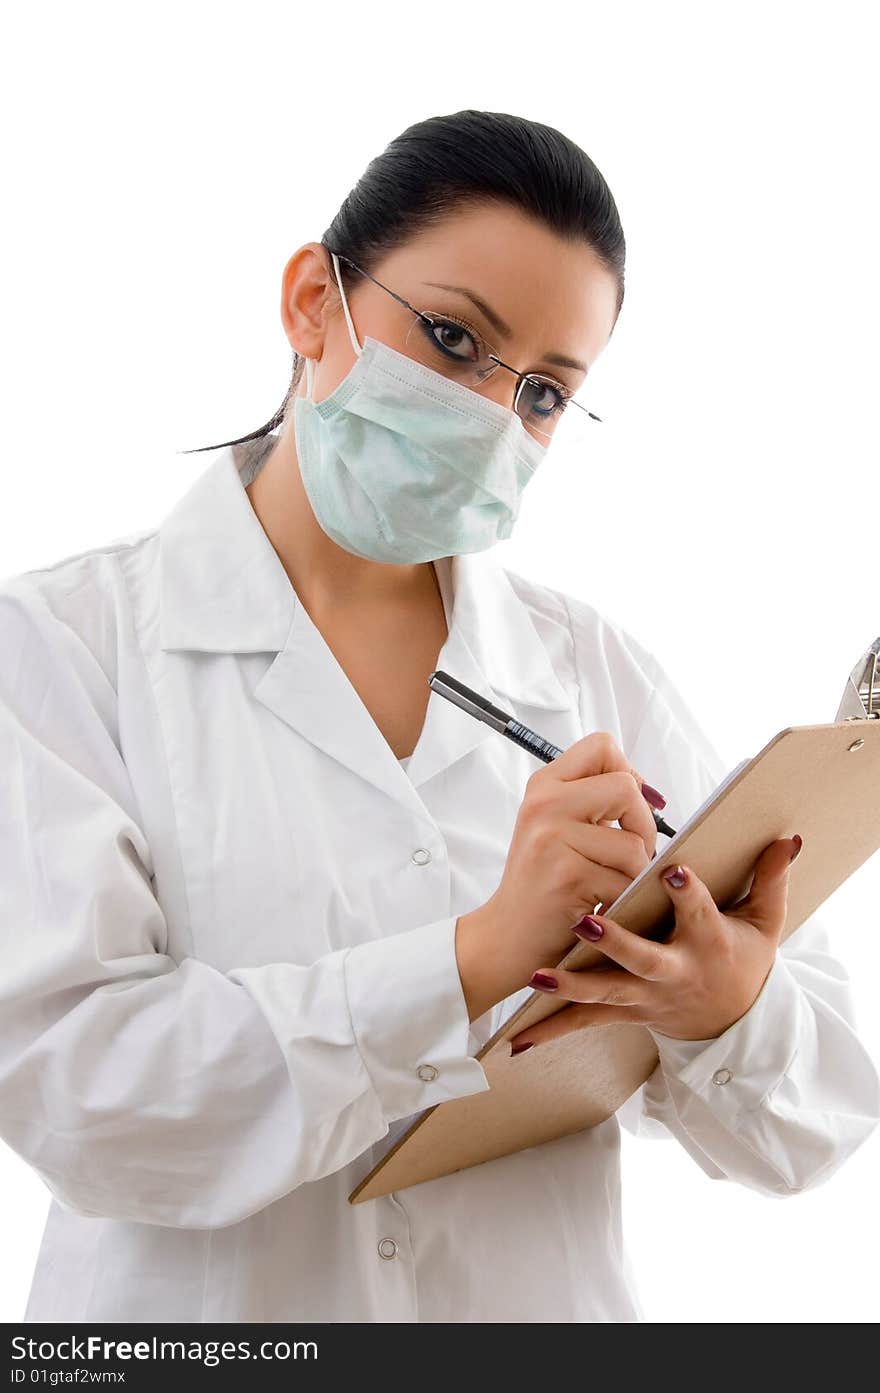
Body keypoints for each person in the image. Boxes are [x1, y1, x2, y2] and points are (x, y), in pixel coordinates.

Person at [1, 109, 878, 1326]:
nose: (489, 413)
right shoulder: (59, 649)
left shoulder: (591, 672)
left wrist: (721, 1004)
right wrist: (473, 958)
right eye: (455, 337)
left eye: (542, 392)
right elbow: (82, 1101)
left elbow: (816, 1129)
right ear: (315, 300)